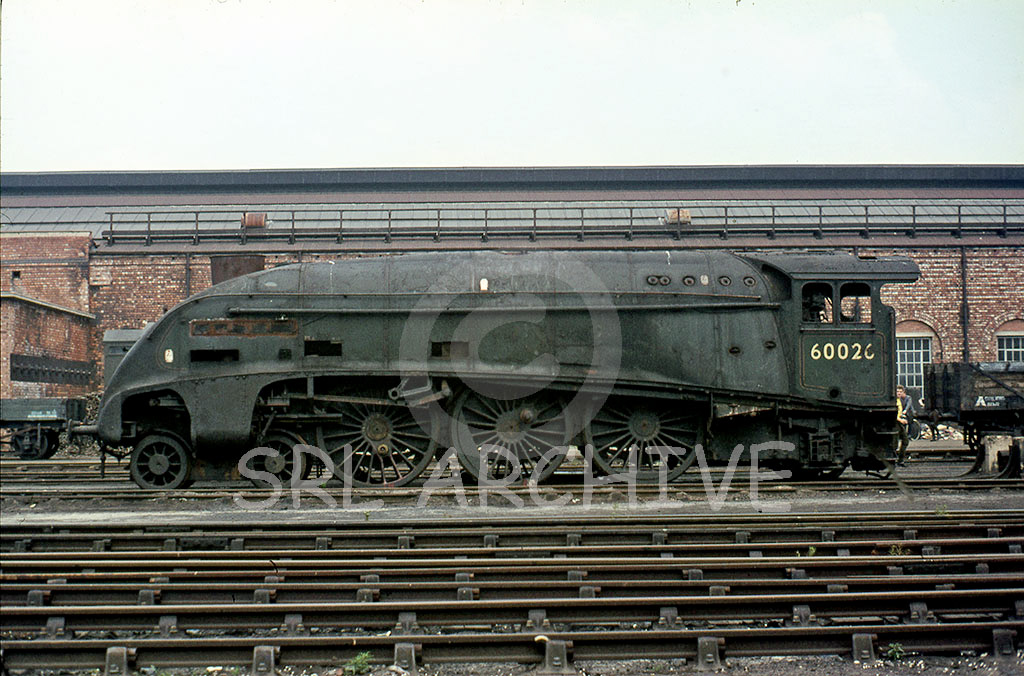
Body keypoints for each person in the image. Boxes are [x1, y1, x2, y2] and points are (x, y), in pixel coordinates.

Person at [895, 385, 914, 466]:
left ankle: (900, 459)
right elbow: (893, 413)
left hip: (899, 422)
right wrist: (900, 420)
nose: (899, 393)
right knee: (901, 441)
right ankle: (899, 460)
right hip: (896, 423)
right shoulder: (895, 401)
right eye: (897, 392)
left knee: (904, 441)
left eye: (900, 392)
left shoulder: (900, 400)